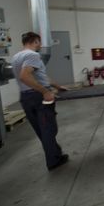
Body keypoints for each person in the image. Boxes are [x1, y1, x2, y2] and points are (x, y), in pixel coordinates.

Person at [12, 32, 69, 171]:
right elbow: (24, 76)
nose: (40, 45)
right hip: (38, 97)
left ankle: (55, 153)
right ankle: (53, 161)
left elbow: (39, 76)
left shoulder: (16, 57)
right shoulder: (33, 55)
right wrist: (45, 92)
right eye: (39, 42)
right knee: (49, 129)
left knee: (42, 130)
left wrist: (56, 86)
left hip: (25, 97)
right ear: (35, 41)